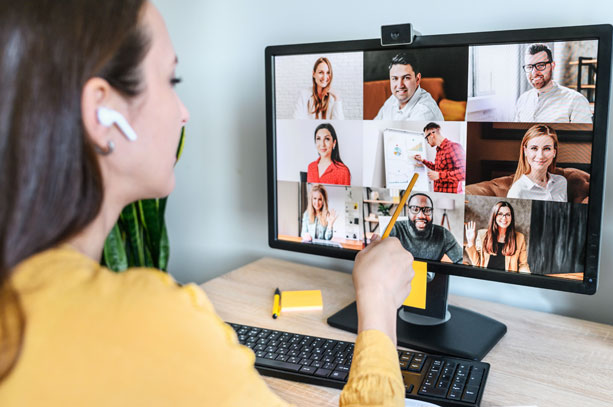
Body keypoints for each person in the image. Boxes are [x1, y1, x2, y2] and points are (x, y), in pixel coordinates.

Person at [0, 1, 415, 406]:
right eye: (171, 81)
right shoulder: (151, 323)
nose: (184, 114)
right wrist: (377, 304)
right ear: (101, 111)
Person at [514, 43, 593, 123]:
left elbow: (583, 135)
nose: (534, 72)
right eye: (529, 67)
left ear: (552, 66)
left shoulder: (576, 101)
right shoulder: (522, 100)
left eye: (541, 65)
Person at [389, 193, 462, 263]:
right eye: (415, 209)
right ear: (408, 211)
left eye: (427, 210)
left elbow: (461, 260)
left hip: (430, 276)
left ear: (432, 212)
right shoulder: (394, 229)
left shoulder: (443, 234)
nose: (421, 216)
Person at [374, 53, 444, 121]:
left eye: (406, 78)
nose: (400, 85)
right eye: (395, 78)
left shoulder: (424, 112)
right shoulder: (393, 99)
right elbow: (373, 127)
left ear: (417, 79)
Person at [507, 124, 567, 202]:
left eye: (547, 149)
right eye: (534, 148)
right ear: (525, 151)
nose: (540, 156)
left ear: (554, 152)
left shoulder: (561, 182)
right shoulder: (517, 191)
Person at [464, 202, 530, 273]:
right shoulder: (482, 235)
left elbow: (523, 265)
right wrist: (470, 242)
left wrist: (527, 278)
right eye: (500, 214)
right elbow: (477, 264)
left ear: (511, 217)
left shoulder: (520, 238)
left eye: (507, 214)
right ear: (494, 216)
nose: (504, 218)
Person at [414, 122, 466, 193]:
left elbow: (463, 173)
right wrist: (423, 160)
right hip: (439, 194)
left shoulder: (453, 147)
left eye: (426, 138)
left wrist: (439, 175)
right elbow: (437, 168)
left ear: (432, 134)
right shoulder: (439, 150)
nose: (427, 142)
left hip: (451, 196)